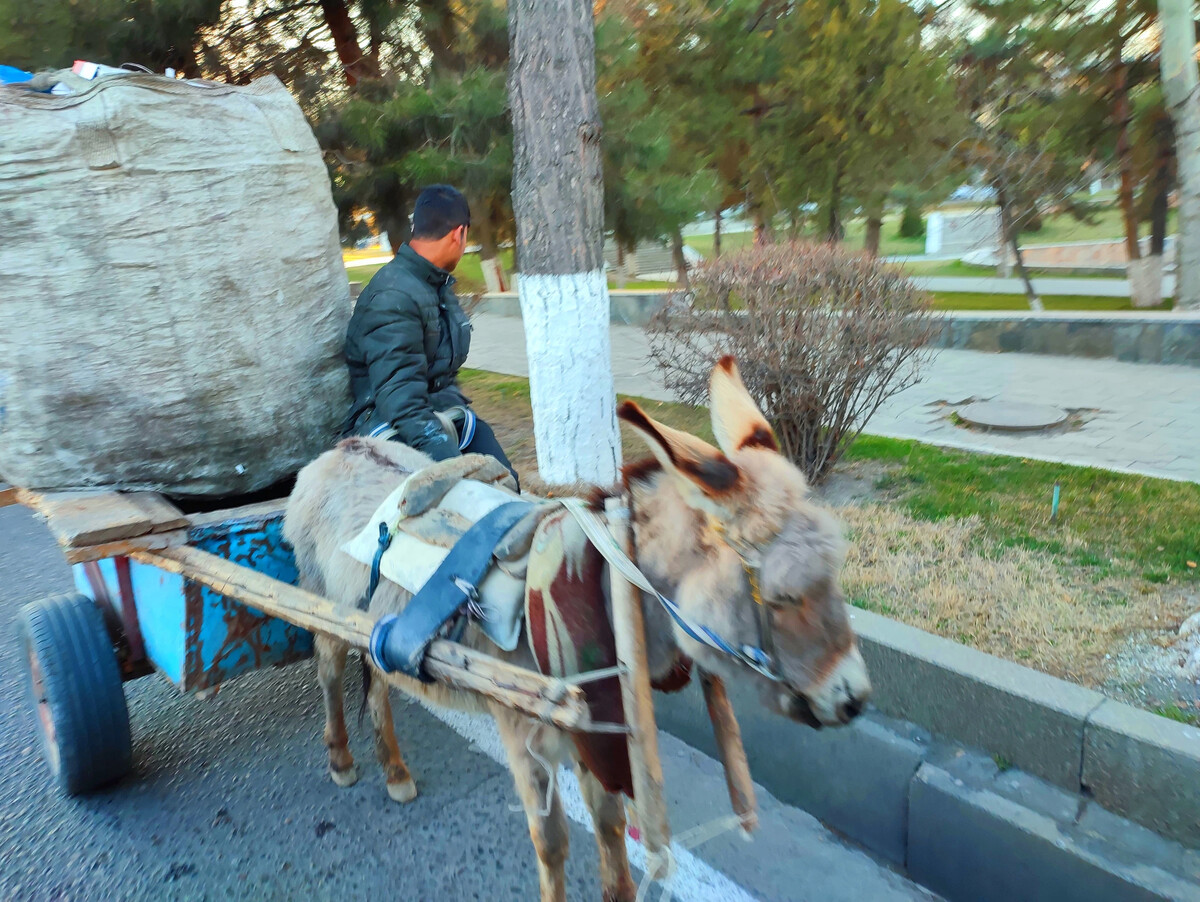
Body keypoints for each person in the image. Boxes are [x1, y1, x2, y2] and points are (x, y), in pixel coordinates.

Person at [344, 185, 518, 486]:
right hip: (389, 425)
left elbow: (442, 374)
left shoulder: (435, 285)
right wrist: (455, 467)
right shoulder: (392, 295)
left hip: (438, 411)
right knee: (474, 498)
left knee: (508, 486)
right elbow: (400, 401)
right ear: (458, 234)